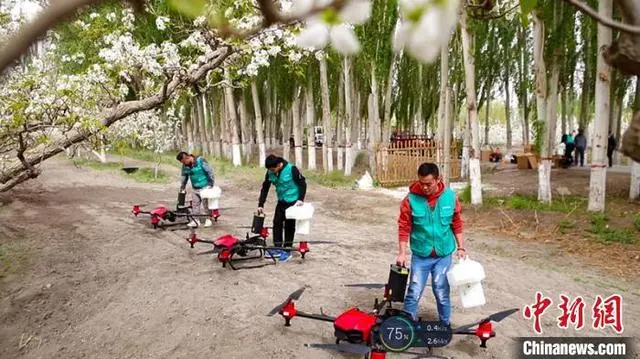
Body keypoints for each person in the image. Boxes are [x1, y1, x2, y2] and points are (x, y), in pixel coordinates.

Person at [396, 162, 466, 326]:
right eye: (422, 183)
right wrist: (402, 253)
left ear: (438, 179)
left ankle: (444, 324)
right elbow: (404, 227)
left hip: (443, 255)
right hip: (421, 255)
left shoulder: (450, 197)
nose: (425, 187)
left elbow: (456, 223)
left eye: (429, 184)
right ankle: (407, 326)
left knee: (441, 290)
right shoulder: (410, 200)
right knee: (414, 290)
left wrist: (461, 247)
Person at [257, 154, 307, 262]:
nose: (272, 171)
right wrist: (261, 204)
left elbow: (302, 184)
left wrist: (301, 199)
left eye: (273, 169)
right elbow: (265, 188)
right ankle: (278, 247)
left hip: (293, 202)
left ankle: (287, 250)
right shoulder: (270, 172)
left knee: (289, 225)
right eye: (270, 170)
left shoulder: (291, 169)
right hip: (281, 201)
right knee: (277, 223)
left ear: (279, 165)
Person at [177, 151, 216, 228]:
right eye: (182, 163)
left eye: (184, 161)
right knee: (195, 205)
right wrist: (182, 187)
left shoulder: (200, 161)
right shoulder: (185, 166)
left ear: (187, 157)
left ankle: (208, 219)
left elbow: (210, 172)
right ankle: (195, 220)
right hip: (195, 187)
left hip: (205, 186)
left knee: (206, 204)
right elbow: (184, 177)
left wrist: (211, 184)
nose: (183, 164)